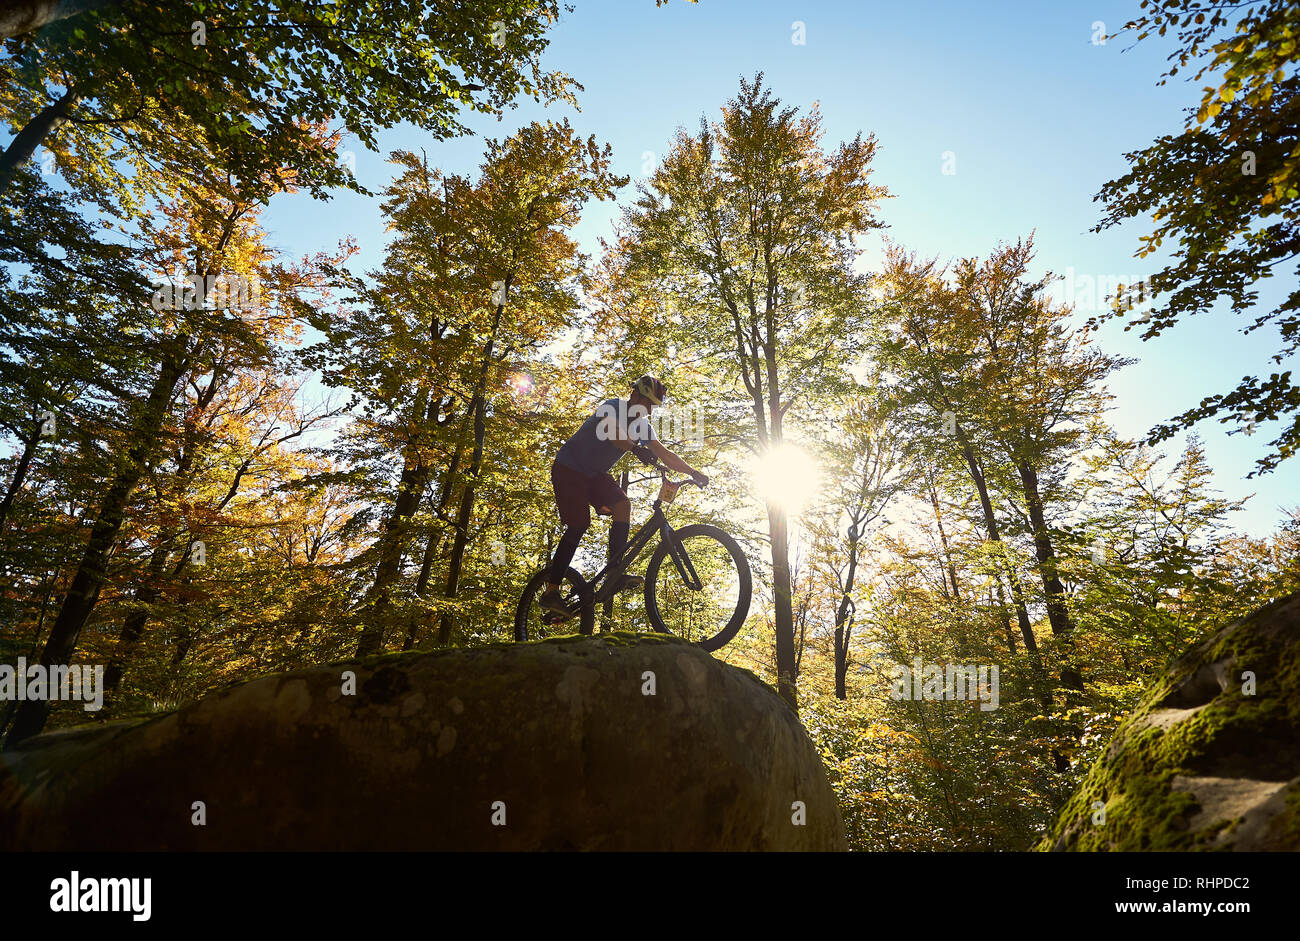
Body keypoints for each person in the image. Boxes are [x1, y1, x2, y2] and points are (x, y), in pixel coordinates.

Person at [540, 375, 708, 613]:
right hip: (569, 468)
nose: (649, 411)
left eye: (653, 407)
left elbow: (665, 454)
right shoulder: (612, 406)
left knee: (622, 505)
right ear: (635, 396)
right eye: (647, 404)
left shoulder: (642, 427)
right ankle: (551, 591)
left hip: (593, 474)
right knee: (579, 525)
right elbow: (612, 432)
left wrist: (693, 472)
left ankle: (613, 573)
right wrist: (636, 449)